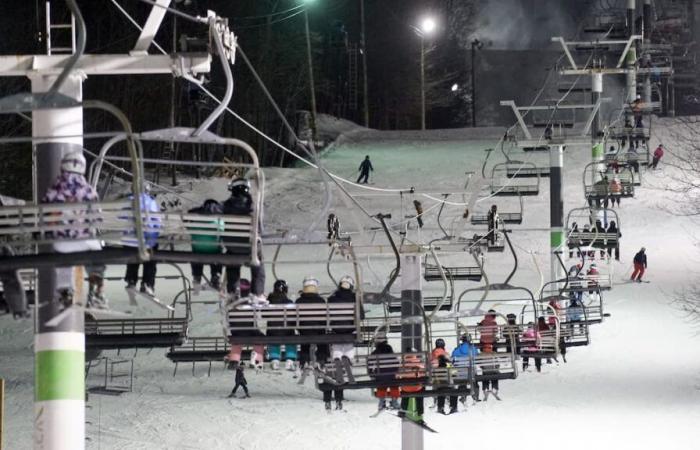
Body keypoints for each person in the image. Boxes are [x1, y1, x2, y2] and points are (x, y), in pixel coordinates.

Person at [42, 151, 102, 305]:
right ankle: (97, 288)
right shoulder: (88, 191)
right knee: (97, 256)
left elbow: (45, 216)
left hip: (61, 243)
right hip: (85, 241)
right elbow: (97, 218)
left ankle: (65, 290)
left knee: (64, 260)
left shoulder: (53, 191)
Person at [222, 178, 266, 303]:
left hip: (232, 247)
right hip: (249, 247)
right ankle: (258, 292)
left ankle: (233, 292)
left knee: (232, 263)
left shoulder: (225, 205)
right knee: (258, 261)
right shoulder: (254, 206)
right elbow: (260, 228)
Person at [325, 275, 364, 410]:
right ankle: (347, 357)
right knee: (349, 344)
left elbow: (326, 315)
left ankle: (336, 356)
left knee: (337, 344)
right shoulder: (354, 298)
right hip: (349, 331)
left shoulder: (332, 298)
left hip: (336, 330)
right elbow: (362, 316)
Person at [124, 182, 160, 303]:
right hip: (147, 241)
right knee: (150, 259)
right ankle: (147, 283)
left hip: (130, 242)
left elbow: (121, 219)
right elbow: (157, 222)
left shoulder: (127, 201)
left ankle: (131, 281)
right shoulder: (151, 202)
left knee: (133, 259)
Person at [226, 278, 268, 370]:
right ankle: (257, 359)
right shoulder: (251, 300)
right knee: (260, 337)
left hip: (236, 332)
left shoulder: (231, 300)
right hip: (249, 330)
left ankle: (234, 360)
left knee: (237, 340)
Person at [188, 198, 224, 294]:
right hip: (214, 251)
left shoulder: (195, 220)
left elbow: (189, 229)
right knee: (217, 253)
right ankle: (216, 276)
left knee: (196, 254)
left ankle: (197, 278)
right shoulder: (219, 221)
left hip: (198, 250)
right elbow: (223, 232)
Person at [296, 276, 329, 370]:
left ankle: (304, 361)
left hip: (304, 331)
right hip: (318, 330)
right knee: (322, 341)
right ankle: (321, 360)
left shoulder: (299, 301)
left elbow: (294, 319)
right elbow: (325, 319)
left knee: (304, 341)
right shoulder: (321, 301)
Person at [266, 279, 298, 372]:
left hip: (272, 332)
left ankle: (274, 359)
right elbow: (294, 318)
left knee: (272, 333)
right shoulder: (289, 302)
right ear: (286, 290)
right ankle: (290, 359)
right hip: (287, 332)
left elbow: (264, 315)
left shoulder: (269, 302)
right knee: (291, 334)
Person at [369, 334, 400, 411]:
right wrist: (396, 370)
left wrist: (371, 373)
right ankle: (394, 401)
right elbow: (396, 361)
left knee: (381, 385)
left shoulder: (376, 351)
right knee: (394, 384)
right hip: (392, 374)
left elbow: (370, 362)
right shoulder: (389, 349)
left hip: (380, 374)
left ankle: (381, 402)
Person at [431, 338, 458, 415]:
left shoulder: (431, 355)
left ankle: (440, 407)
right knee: (453, 388)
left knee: (441, 388)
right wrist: (454, 373)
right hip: (447, 382)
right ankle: (453, 407)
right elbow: (452, 370)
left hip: (436, 382)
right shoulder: (446, 355)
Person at [397, 348, 425, 421]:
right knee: (420, 393)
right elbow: (423, 373)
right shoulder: (418, 362)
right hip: (416, 388)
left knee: (405, 393)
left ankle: (402, 411)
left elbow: (397, 374)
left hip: (405, 388)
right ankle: (420, 412)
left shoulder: (402, 363)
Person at [452, 333, 479, 400]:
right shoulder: (473, 348)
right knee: (474, 381)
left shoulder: (457, 349)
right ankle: (475, 395)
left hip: (460, 373)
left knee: (462, 382)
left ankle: (463, 395)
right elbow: (476, 357)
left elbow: (452, 359)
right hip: (471, 372)